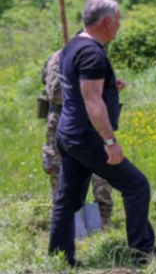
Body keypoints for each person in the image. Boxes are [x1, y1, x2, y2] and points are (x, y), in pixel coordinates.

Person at [48, 0, 156, 267]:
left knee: (68, 198)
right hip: (87, 137)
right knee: (136, 185)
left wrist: (110, 86)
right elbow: (91, 101)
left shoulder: (74, 45)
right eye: (119, 20)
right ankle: (142, 254)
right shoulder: (92, 54)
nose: (120, 25)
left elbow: (79, 87)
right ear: (107, 21)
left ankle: (60, 259)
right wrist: (110, 141)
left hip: (67, 133)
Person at [41, 49, 114, 229]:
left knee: (61, 165)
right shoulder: (88, 57)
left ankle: (68, 218)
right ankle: (100, 219)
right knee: (98, 165)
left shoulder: (54, 57)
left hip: (60, 119)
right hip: (82, 118)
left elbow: (45, 83)